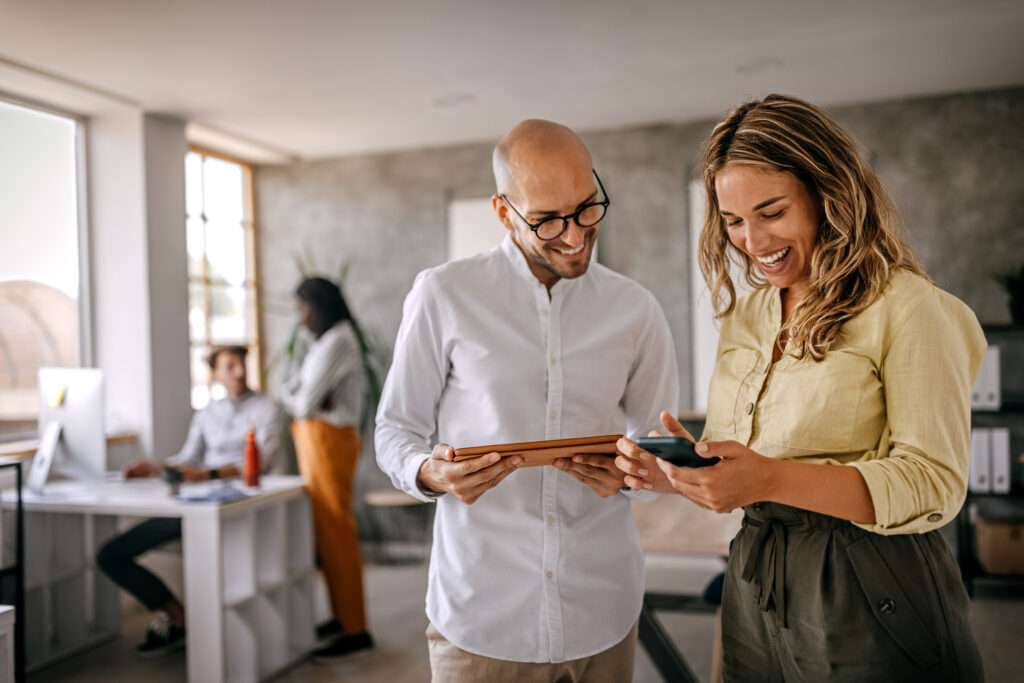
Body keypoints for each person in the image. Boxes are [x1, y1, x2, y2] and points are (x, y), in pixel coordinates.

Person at [616, 94, 986, 682]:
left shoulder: (909, 308)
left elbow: (933, 481)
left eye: (771, 212)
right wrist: (676, 474)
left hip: (871, 580)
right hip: (757, 577)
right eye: (733, 221)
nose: (752, 241)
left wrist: (766, 477)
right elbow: (744, 458)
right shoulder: (747, 317)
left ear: (827, 195)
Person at [375, 119, 680, 682]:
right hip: (483, 615)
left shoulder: (636, 310)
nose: (574, 235)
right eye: (546, 220)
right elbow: (395, 430)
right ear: (502, 211)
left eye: (588, 207)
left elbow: (657, 444)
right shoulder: (443, 294)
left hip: (603, 608)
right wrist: (429, 472)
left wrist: (642, 471)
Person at [97, 345, 281, 656]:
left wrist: (203, 474)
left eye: (242, 364)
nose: (239, 371)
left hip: (236, 507)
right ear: (216, 373)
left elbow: (260, 463)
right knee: (111, 555)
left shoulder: (268, 408)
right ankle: (175, 614)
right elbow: (186, 458)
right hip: (195, 505)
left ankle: (209, 636)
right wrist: (156, 468)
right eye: (230, 366)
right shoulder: (207, 413)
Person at [280, 276, 373, 656]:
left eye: (304, 308)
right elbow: (298, 393)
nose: (301, 318)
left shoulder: (337, 340)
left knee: (336, 531)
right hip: (318, 439)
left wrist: (297, 394)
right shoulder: (324, 342)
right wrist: (300, 393)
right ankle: (342, 617)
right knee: (327, 532)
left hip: (328, 441)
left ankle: (355, 629)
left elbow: (299, 401)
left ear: (320, 306)